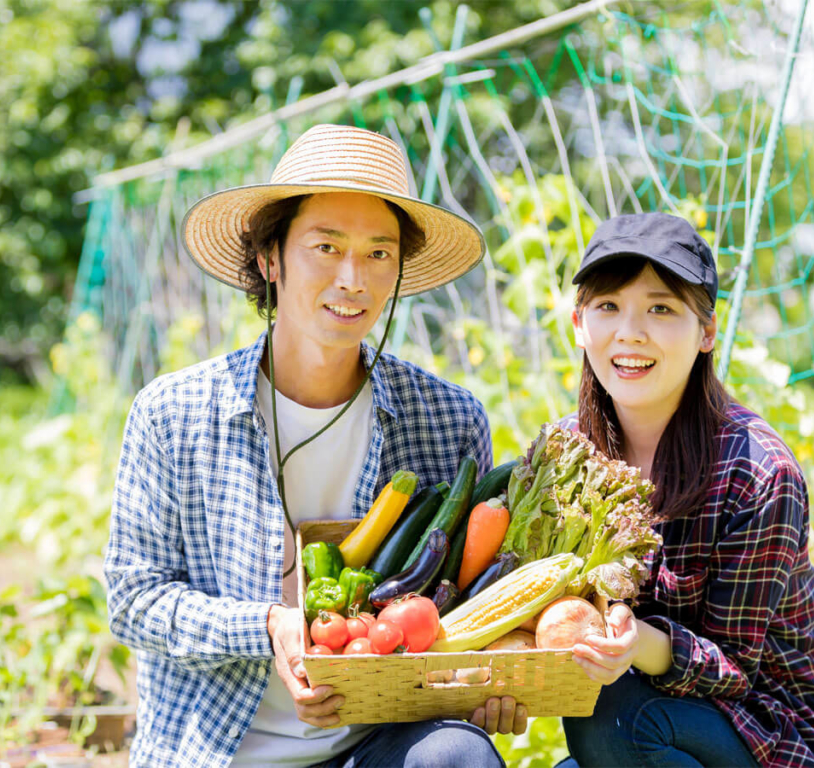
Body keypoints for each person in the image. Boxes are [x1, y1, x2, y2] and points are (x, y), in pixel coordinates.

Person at [104, 124, 523, 768]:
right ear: (270, 258)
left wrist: (490, 679)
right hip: (215, 750)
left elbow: (460, 604)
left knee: (458, 757)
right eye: (325, 246)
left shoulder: (447, 417)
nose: (352, 278)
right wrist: (268, 626)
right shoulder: (175, 412)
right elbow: (134, 603)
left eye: (379, 254)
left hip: (373, 745)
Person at [551, 212, 814, 767]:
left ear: (706, 332)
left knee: (612, 717)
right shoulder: (567, 456)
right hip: (669, 733)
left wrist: (636, 643)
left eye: (661, 308)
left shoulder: (757, 469)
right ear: (580, 323)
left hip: (781, 733)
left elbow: (731, 672)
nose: (630, 331)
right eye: (609, 306)